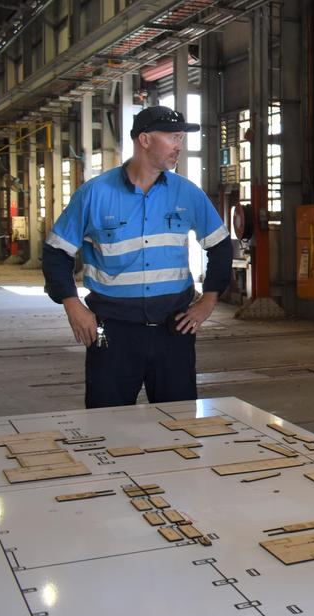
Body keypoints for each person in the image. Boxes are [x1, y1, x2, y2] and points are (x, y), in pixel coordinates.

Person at [43, 105, 230, 408]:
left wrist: (208, 301)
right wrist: (72, 305)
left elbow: (220, 246)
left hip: (174, 331)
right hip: (113, 334)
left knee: (179, 424)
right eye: (172, 138)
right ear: (144, 140)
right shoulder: (95, 194)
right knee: (108, 426)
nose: (179, 146)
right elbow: (55, 252)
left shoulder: (187, 194)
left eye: (181, 138)